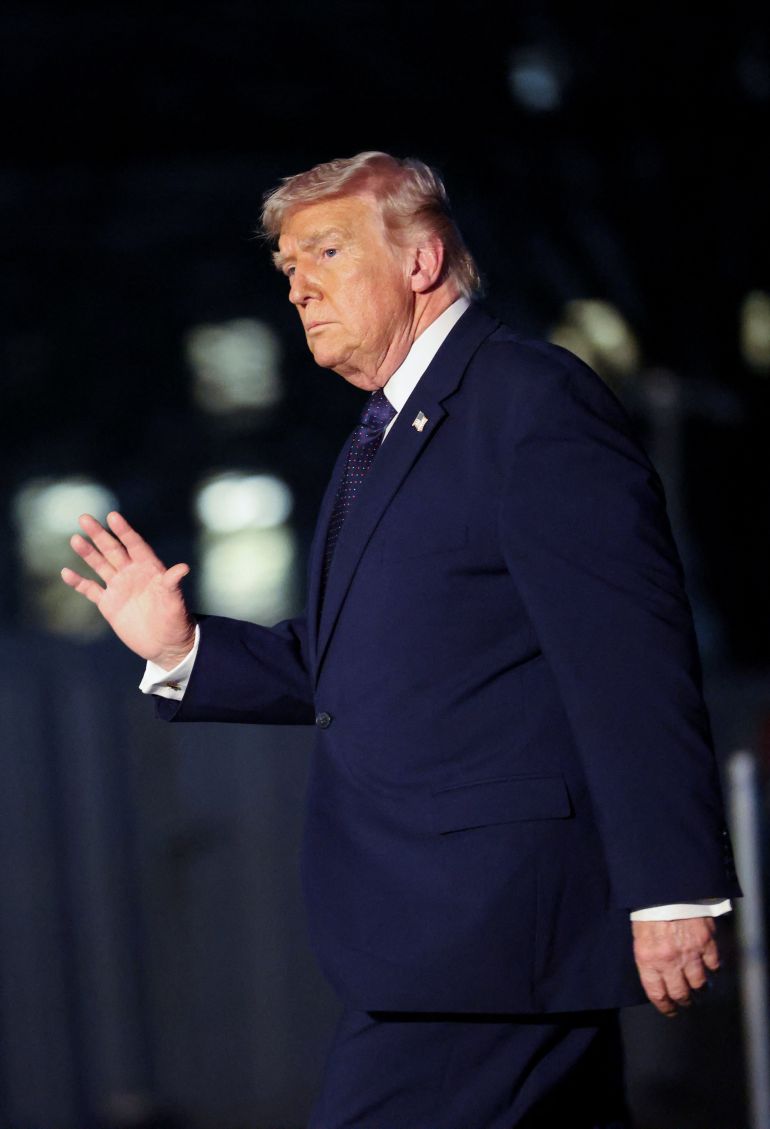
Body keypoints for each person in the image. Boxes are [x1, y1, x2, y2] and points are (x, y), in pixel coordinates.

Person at [62, 152, 740, 1128]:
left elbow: (629, 659)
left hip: (488, 932)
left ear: (420, 260)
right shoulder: (380, 436)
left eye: (326, 252)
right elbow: (359, 661)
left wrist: (671, 888)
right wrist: (181, 648)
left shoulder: (529, 402)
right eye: (287, 266)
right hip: (451, 933)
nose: (298, 286)